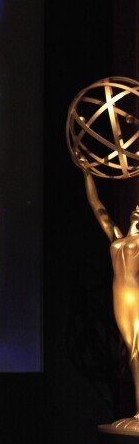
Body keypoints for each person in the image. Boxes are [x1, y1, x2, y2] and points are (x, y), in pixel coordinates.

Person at [82, 170, 139, 427]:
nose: (136, 209)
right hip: (121, 302)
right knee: (130, 352)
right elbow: (98, 208)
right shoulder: (118, 238)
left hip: (136, 298)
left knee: (137, 351)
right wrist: (86, 173)